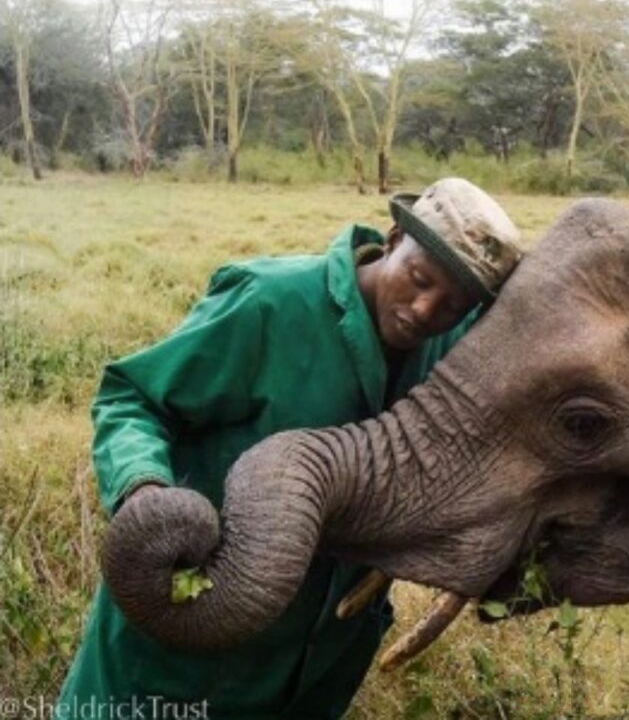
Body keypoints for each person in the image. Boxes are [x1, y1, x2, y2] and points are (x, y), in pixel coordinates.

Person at [58, 177, 524, 720]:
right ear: (395, 240)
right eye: (419, 280)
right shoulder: (270, 302)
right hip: (186, 633)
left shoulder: (453, 348)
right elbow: (131, 396)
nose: (425, 311)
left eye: (450, 306)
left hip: (315, 665)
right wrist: (143, 490)